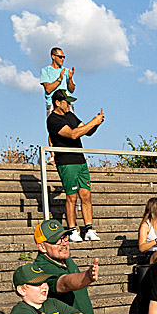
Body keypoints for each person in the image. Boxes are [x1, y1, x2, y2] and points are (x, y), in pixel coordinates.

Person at [46, 89, 104, 242]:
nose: (69, 105)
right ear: (58, 103)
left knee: (86, 195)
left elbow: (86, 131)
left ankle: (89, 229)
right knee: (71, 197)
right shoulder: (53, 120)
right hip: (66, 161)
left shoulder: (70, 115)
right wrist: (92, 122)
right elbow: (72, 134)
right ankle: (72, 230)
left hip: (80, 160)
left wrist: (96, 123)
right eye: (67, 102)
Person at [32, 218, 98, 314]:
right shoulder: (42, 267)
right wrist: (87, 276)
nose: (64, 244)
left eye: (65, 238)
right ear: (42, 247)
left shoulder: (62, 256)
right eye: (57, 241)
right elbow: (64, 283)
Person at [7, 263, 89, 314]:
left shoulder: (52, 302)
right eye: (37, 283)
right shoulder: (19, 311)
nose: (44, 286)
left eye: (45, 282)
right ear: (22, 290)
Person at [40, 46, 75, 118]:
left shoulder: (66, 71)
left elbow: (72, 90)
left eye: (63, 57)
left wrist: (70, 79)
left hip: (67, 104)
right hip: (53, 105)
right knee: (55, 127)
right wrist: (59, 79)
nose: (62, 59)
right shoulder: (45, 71)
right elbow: (48, 89)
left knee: (72, 127)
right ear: (53, 56)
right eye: (60, 57)